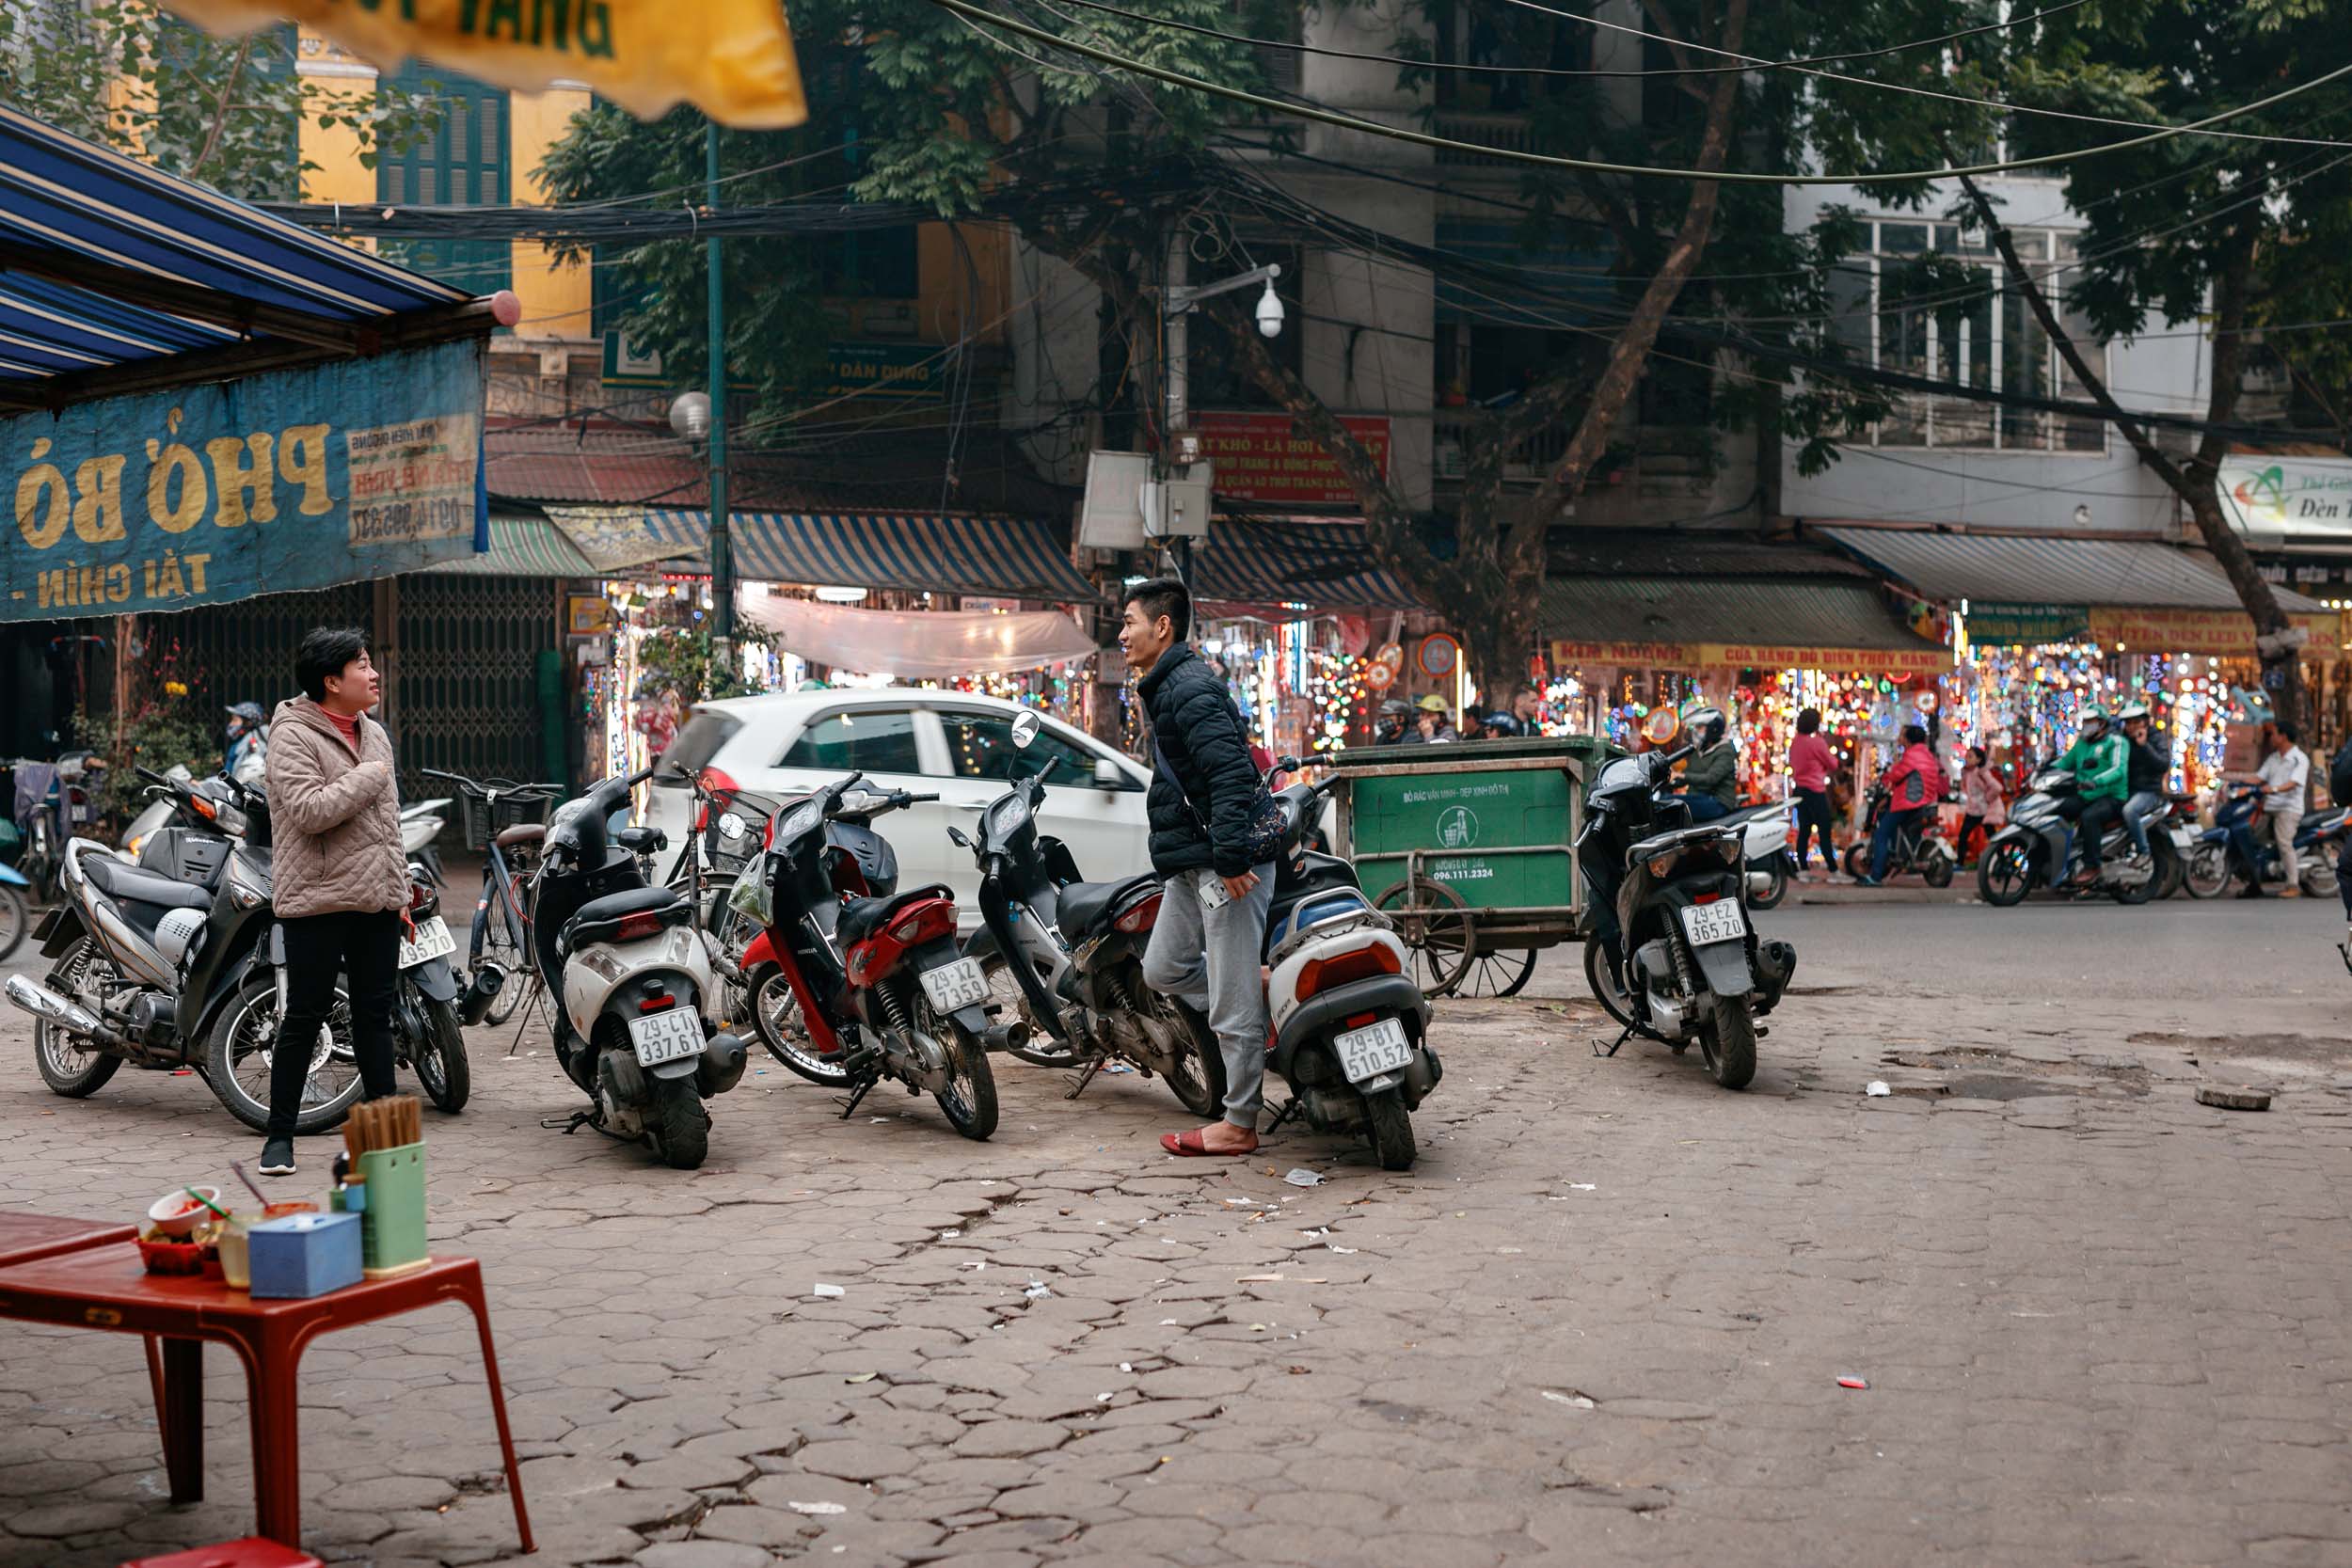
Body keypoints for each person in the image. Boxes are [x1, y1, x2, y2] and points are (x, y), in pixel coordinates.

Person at [1120, 578, 1279, 1158]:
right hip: (1194, 865)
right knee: (1162, 969)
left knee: (1231, 1003)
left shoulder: (1189, 689)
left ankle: (1240, 1121)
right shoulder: (1166, 689)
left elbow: (1231, 776)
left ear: (1162, 627)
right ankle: (1258, 989)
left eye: (1130, 622)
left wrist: (1232, 858)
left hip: (1225, 865)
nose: (1122, 634)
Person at [258, 628, 407, 1176]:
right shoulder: (291, 735)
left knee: (375, 1018)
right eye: (362, 666)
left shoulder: (376, 734)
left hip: (377, 899)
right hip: (318, 899)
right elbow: (308, 810)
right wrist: (367, 776)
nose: (373, 675)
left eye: (371, 664)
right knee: (304, 1017)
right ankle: (280, 1138)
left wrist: (401, 889)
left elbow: (388, 824)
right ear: (330, 681)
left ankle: (384, 1143)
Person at [1858, 723, 1947, 887]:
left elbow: (1895, 775)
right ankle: (1901, 859)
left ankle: (1876, 876)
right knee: (1906, 832)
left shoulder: (1912, 756)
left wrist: (1887, 776)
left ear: (1907, 739)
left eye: (1902, 736)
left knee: (1881, 834)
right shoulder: (1927, 755)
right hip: (1925, 802)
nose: (1899, 738)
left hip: (1909, 802)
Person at [2051, 705, 2128, 883]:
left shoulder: (2116, 742)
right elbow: (2065, 763)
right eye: (2084, 721)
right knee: (2057, 809)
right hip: (2086, 794)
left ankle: (2092, 866)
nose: (2086, 725)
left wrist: (2096, 781)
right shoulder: (2082, 743)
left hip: (2112, 796)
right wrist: (2043, 773)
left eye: (2090, 721)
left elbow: (2118, 770)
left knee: (2089, 817)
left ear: (2101, 723)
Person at [2249, 719, 2310, 898]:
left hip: (2289, 809)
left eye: (2273, 734)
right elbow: (2258, 778)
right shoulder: (2274, 757)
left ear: (2283, 737)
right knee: (2253, 838)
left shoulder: (2299, 759)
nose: (2271, 738)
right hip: (2269, 807)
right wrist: (2234, 781)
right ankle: (2255, 880)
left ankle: (2293, 884)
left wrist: (2273, 789)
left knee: (2284, 844)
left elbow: (2293, 783)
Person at [1787, 708, 1836, 879]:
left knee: (1804, 829)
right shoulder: (1817, 743)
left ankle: (1804, 868)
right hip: (1815, 790)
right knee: (1824, 828)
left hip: (1800, 789)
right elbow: (1833, 763)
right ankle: (1833, 868)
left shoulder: (1795, 742)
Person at [2117, 704, 2167, 864]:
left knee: (2130, 811)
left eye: (2135, 722)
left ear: (2145, 722)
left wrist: (2144, 746)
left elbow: (2163, 764)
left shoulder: (2155, 738)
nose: (2131, 726)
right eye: (2128, 723)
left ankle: (2143, 851)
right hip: (2126, 790)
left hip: (2149, 791)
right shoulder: (2121, 740)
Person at [1677, 705, 1738, 821]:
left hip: (1718, 802)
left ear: (1713, 729)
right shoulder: (1698, 751)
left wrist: (1681, 775)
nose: (1695, 731)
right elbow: (1688, 775)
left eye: (1699, 727)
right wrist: (1669, 779)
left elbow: (1710, 779)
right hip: (1700, 797)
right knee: (1665, 800)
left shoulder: (1725, 751)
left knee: (1673, 807)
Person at [1958, 745, 2005, 868]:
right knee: (1963, 837)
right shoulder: (1966, 773)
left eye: (1970, 756)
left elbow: (1997, 788)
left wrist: (1987, 799)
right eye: (1966, 756)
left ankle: (2002, 862)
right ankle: (1960, 862)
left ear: (1978, 760)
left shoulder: (1982, 773)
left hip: (1984, 812)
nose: (1967, 759)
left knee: (1992, 838)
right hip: (1972, 811)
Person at [224, 701, 269, 786]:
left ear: (248, 722)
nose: (231, 724)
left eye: (235, 720)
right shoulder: (240, 741)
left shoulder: (259, 734)